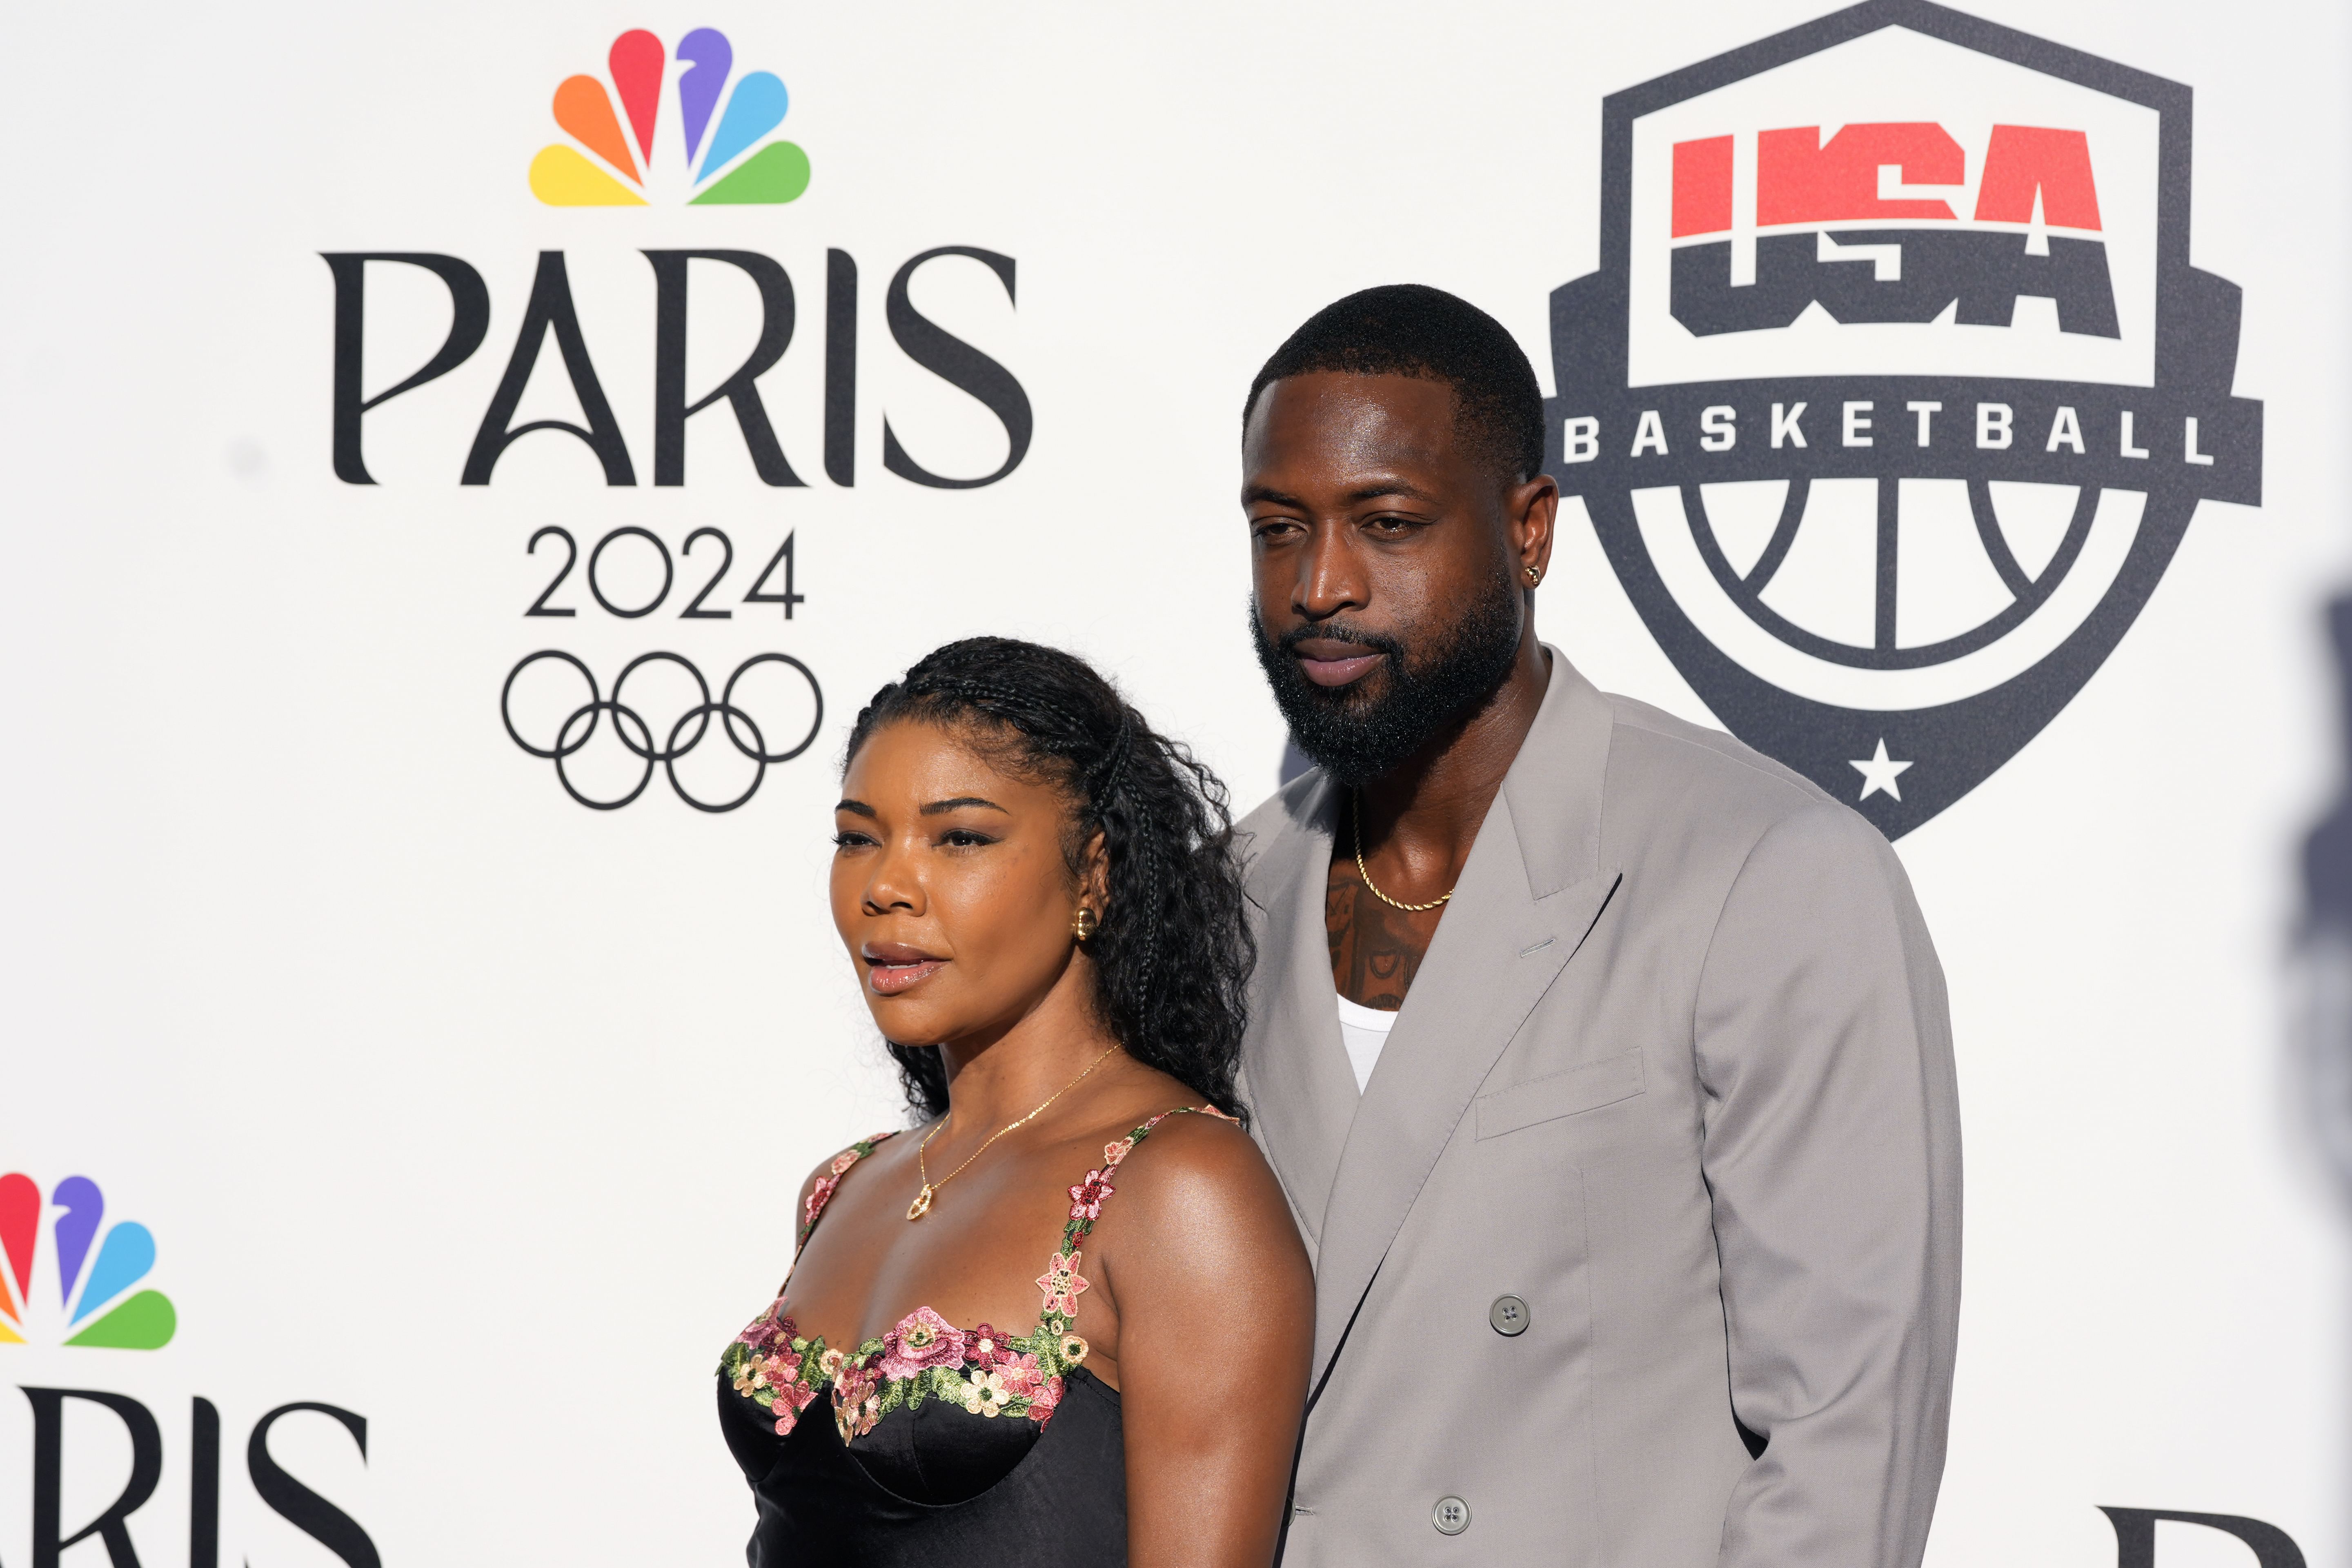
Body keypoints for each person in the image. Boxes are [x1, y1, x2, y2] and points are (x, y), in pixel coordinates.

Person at [1233, 286, 1960, 1563]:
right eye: (1278, 529)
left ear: (1529, 531)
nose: (1320, 584)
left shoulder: (1764, 871)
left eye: (1387, 523)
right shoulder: (1225, 895)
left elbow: (1847, 1440)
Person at [717, 636, 1313, 1568]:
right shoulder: (843, 1185)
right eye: (857, 837)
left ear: (1095, 872)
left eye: (960, 837)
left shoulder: (1179, 1188)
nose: (886, 887)